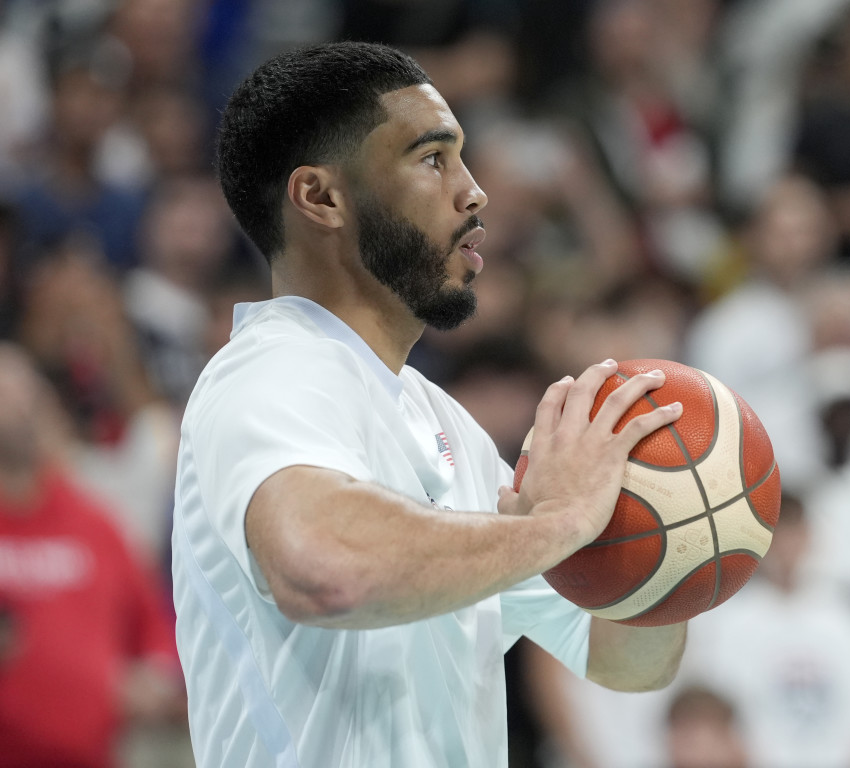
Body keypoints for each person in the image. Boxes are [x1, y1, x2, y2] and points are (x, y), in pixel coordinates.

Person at [172, 41, 688, 768]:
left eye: (464, 157)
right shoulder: (269, 371)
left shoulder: (449, 427)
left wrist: (672, 526)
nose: (474, 192)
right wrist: (566, 521)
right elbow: (326, 570)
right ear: (320, 197)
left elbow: (624, 660)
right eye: (432, 157)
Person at [0, 343, 184, 768]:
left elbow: (155, 630)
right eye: (7, 396)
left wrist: (155, 679)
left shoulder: (92, 523)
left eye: (29, 393)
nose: (22, 408)